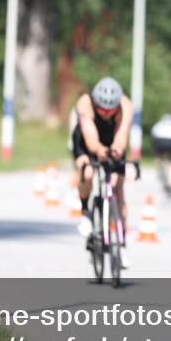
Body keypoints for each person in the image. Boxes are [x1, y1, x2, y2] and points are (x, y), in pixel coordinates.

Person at [71, 77, 134, 268]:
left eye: (110, 111)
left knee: (118, 188)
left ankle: (121, 245)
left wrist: (116, 149)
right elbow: (91, 141)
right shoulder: (84, 103)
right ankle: (86, 212)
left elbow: (122, 135)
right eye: (102, 110)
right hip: (86, 140)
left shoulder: (125, 105)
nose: (106, 114)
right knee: (87, 172)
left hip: (111, 138)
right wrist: (98, 151)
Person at [151, 113, 171, 198]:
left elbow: (153, 133)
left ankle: (159, 166)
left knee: (158, 154)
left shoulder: (159, 125)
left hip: (160, 141)